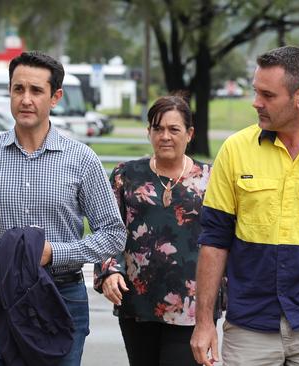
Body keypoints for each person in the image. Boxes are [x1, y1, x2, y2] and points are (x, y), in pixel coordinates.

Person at [0, 51, 126, 365]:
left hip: (61, 296)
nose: (26, 99)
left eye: (36, 91)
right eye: (18, 89)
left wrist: (55, 253)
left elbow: (114, 235)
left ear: (55, 97)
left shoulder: (81, 160)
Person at [190, 45, 299, 366]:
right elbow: (214, 241)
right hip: (249, 325)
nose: (256, 102)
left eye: (267, 95)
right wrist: (204, 322)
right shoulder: (234, 150)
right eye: (256, 91)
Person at [94, 95, 214, 366]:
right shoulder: (126, 175)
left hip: (190, 304)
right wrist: (109, 271)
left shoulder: (210, 179)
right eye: (158, 128)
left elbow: (220, 240)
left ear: (190, 133)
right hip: (137, 302)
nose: (165, 136)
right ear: (148, 131)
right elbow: (108, 229)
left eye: (174, 129)